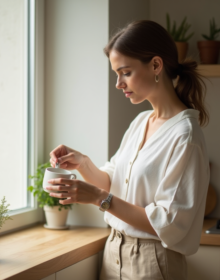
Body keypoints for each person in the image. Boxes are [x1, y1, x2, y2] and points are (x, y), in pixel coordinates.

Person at [47, 20, 210, 280]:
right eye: (116, 74)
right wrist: (82, 164)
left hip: (153, 262)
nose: (118, 83)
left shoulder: (185, 136)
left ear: (156, 65)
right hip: (113, 253)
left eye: (125, 72)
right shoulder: (140, 122)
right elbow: (115, 183)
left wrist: (98, 198)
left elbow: (168, 223)